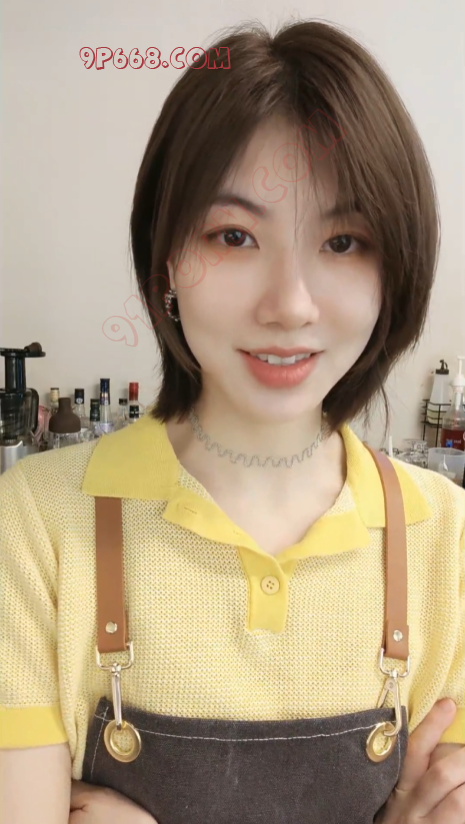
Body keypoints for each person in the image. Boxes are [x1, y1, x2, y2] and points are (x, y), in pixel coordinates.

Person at [0, 17, 464, 824]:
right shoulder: (37, 525)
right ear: (166, 261)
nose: (289, 305)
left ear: (396, 270)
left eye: (344, 241)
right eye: (234, 235)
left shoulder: (448, 543)